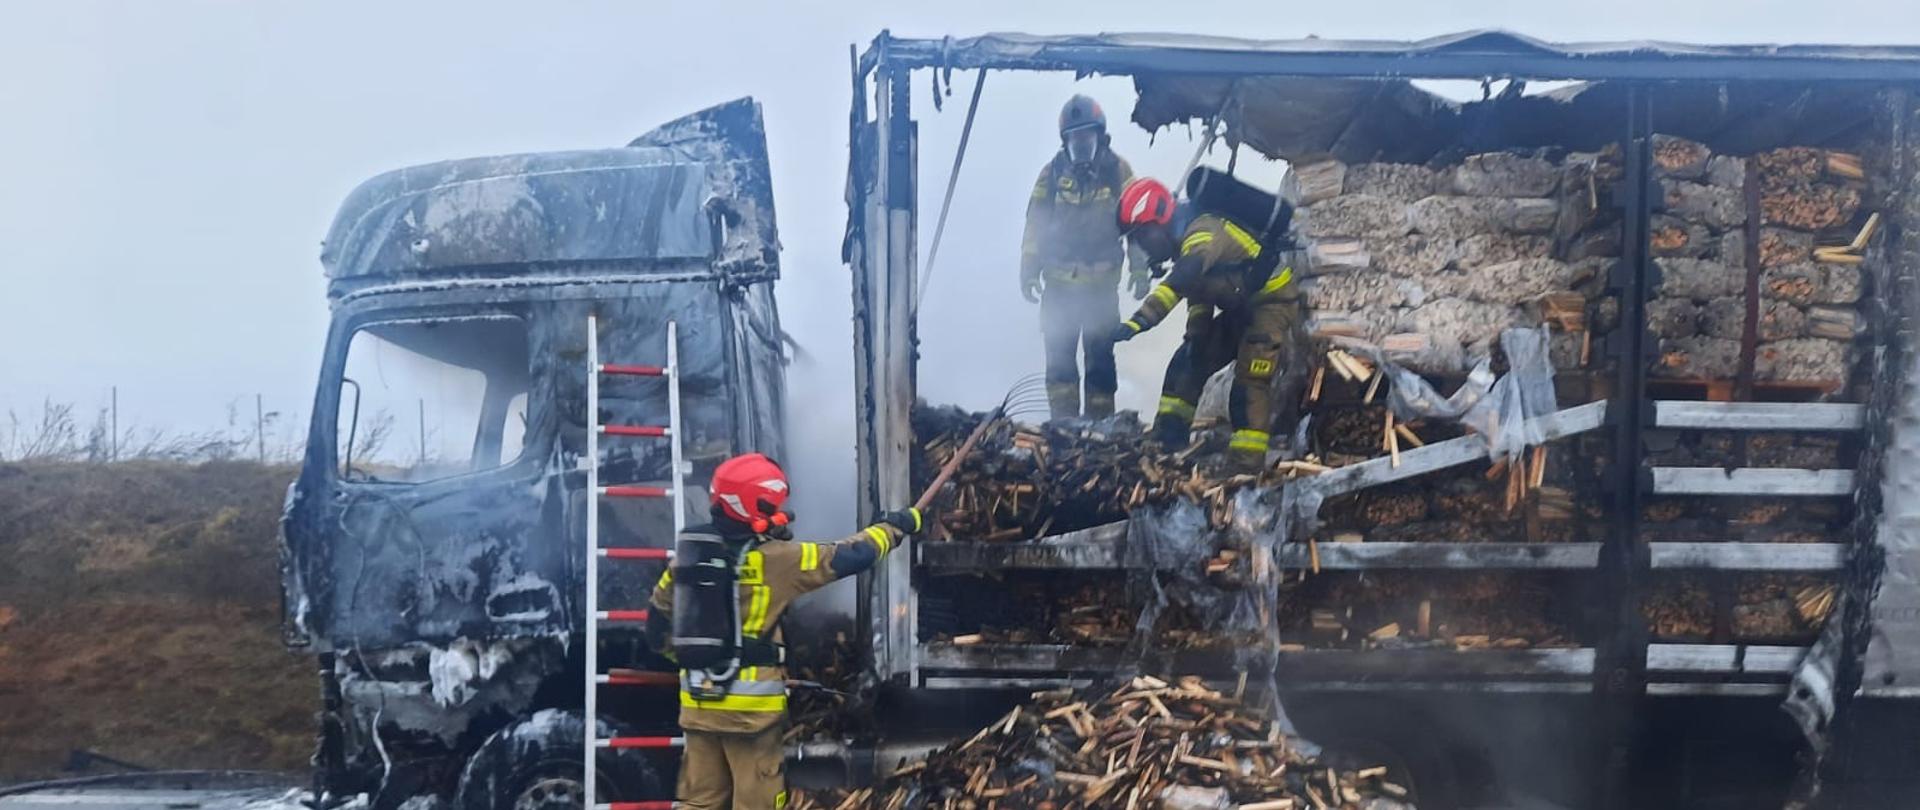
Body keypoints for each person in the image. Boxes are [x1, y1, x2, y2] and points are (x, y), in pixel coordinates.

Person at [647, 453, 925, 809]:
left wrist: (701, 662)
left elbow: (655, 629)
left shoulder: (686, 556)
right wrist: (897, 525)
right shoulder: (775, 560)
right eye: (771, 507)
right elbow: (850, 555)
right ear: (754, 505)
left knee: (698, 803)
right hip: (750, 719)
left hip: (698, 709)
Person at [1110, 176, 1302, 470]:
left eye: (1142, 236)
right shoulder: (1182, 243)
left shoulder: (1203, 232)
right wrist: (1197, 337)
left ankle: (1245, 467)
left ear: (1160, 220)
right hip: (1240, 306)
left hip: (1271, 303)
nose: (1143, 248)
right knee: (1184, 365)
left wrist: (1141, 320)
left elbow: (1186, 277)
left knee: (1249, 384)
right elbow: (1199, 292)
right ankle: (1168, 444)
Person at [1020, 94, 1152, 420]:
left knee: (1101, 365)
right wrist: (1028, 268)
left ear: (1099, 136)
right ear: (1065, 140)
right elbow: (1035, 222)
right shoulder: (1051, 174)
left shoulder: (1118, 171)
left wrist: (1140, 268)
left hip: (1101, 291)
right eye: (1075, 138)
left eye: (1087, 137)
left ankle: (1100, 432)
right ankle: (1064, 428)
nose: (1081, 145)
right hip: (1059, 289)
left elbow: (1137, 223)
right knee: (1061, 364)